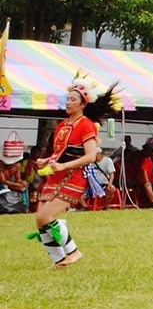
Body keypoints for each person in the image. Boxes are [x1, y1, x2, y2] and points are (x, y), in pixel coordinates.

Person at [30, 75, 119, 267]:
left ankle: (74, 252)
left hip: (73, 177)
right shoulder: (63, 125)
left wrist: (63, 166)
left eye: (73, 99)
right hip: (56, 176)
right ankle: (59, 260)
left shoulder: (86, 124)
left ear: (83, 104)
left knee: (45, 217)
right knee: (40, 220)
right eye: (67, 98)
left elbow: (89, 156)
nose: (68, 102)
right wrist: (47, 160)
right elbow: (60, 153)